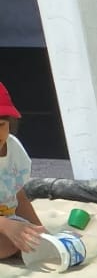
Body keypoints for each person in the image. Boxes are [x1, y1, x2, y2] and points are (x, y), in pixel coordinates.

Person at [0, 81, 47, 267]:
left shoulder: (14, 150)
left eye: (1, 124)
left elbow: (19, 196)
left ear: (10, 123)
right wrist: (5, 226)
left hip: (8, 220)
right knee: (9, 244)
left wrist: (43, 233)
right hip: (4, 224)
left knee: (33, 240)